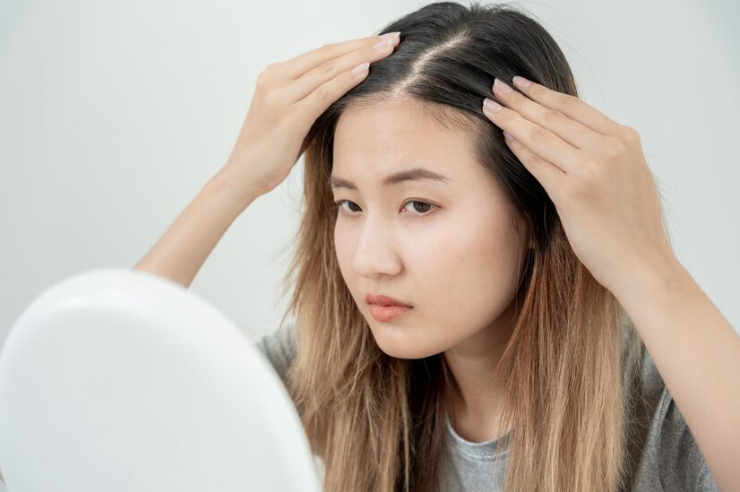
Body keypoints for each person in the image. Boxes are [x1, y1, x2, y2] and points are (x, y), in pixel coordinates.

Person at [134, 2, 729, 491]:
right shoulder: (337, 372)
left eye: (418, 205)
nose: (369, 261)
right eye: (350, 205)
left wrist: (648, 267)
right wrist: (234, 181)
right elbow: (114, 402)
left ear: (536, 211)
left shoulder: (663, 405)